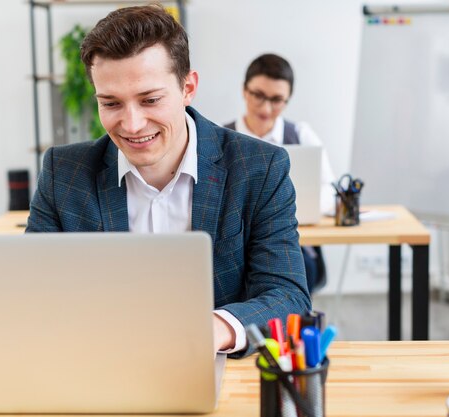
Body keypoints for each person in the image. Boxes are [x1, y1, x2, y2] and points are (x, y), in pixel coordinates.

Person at [25, 5, 310, 358]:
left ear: (188, 87)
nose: (131, 124)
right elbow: (32, 293)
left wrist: (214, 329)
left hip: (211, 366)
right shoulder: (63, 172)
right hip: (99, 366)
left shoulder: (259, 167)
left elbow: (288, 296)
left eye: (150, 100)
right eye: (111, 103)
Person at [224, 53, 335, 294]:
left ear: (288, 100)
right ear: (244, 91)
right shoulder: (222, 139)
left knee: (295, 271)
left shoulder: (301, 134)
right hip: (235, 248)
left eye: (276, 100)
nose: (266, 108)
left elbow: (330, 189)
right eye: (258, 96)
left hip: (290, 244)